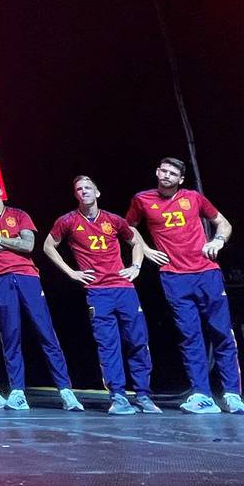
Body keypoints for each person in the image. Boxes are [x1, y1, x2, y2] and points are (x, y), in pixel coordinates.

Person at [125, 157, 244, 414]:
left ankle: (232, 395)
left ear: (180, 179)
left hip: (207, 273)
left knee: (221, 332)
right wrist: (146, 250)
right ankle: (202, 395)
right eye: (164, 171)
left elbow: (224, 224)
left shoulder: (193, 197)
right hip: (174, 276)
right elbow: (128, 227)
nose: (167, 176)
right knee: (189, 335)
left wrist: (217, 241)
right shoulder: (142, 199)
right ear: (157, 172)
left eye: (173, 173)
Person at [44, 177, 157, 415]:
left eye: (87, 188)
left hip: (125, 289)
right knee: (109, 346)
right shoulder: (68, 221)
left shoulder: (114, 219)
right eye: (78, 189)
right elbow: (48, 246)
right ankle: (118, 396)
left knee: (138, 341)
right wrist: (71, 273)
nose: (83, 191)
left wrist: (136, 266)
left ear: (97, 192)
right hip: (98, 292)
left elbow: (135, 242)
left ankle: (144, 395)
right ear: (75, 195)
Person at [0, 178, 81, 412]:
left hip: (27, 276)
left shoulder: (19, 215)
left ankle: (66, 391)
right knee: (10, 335)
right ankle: (17, 391)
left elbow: (28, 246)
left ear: (1, 190)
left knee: (45, 331)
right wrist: (13, 242)